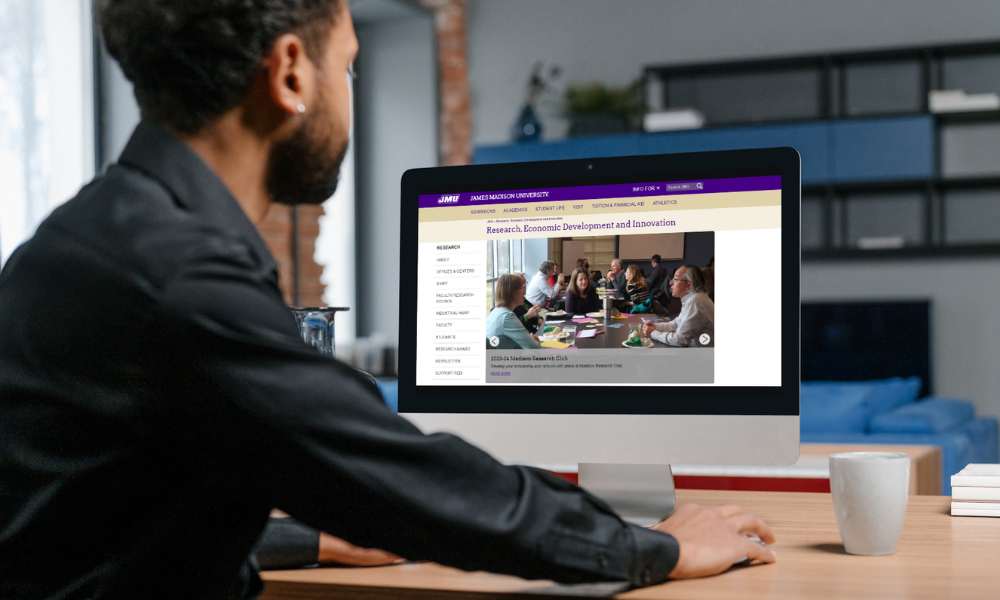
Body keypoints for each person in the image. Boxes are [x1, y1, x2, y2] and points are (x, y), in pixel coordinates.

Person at [0, 1, 775, 596]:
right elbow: (415, 483)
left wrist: (311, 535)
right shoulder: (179, 283)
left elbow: (106, 522)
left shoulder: (83, 243)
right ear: (292, 72)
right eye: (350, 66)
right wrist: (660, 547)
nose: (349, 93)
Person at [641, 265, 715, 347]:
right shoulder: (694, 298)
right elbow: (677, 323)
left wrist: (653, 333)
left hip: (702, 357)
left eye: (675, 279)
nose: (670, 282)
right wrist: (656, 326)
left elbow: (680, 339)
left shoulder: (695, 301)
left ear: (688, 285)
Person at [487, 274, 542, 349]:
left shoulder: (496, 312)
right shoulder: (507, 317)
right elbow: (534, 348)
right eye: (521, 288)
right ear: (512, 292)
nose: (524, 293)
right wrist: (534, 340)